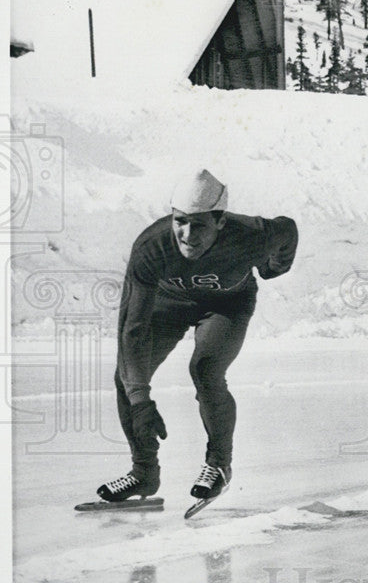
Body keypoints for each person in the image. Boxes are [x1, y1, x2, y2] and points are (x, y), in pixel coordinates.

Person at [97, 169, 298, 504]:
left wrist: (274, 267)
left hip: (227, 305)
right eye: (180, 221)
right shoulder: (151, 245)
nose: (187, 235)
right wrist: (141, 401)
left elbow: (287, 230)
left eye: (199, 224)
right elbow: (132, 329)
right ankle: (143, 472)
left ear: (221, 221)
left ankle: (218, 465)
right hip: (169, 305)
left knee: (206, 370)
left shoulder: (250, 234)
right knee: (127, 377)